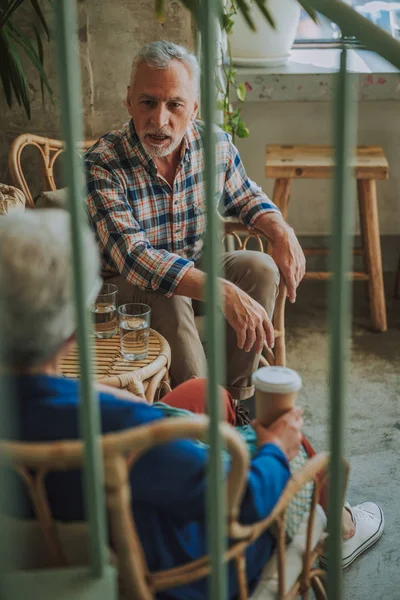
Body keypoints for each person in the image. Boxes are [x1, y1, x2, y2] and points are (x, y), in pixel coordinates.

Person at [0, 210, 384, 598]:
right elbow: (241, 503)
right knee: (296, 443)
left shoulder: (77, 412)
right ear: (72, 333)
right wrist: (274, 448)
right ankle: (342, 530)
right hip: (184, 565)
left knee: (205, 392)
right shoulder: (124, 428)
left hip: (59, 546)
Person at [84, 40, 306, 401]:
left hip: (200, 267)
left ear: (194, 108)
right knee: (167, 295)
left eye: (174, 105)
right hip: (128, 287)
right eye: (148, 102)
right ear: (129, 101)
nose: (160, 120)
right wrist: (222, 290)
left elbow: (246, 196)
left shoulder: (214, 144)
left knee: (260, 268)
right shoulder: (102, 163)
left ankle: (235, 401)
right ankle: (199, 418)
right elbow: (134, 257)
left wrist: (281, 231)